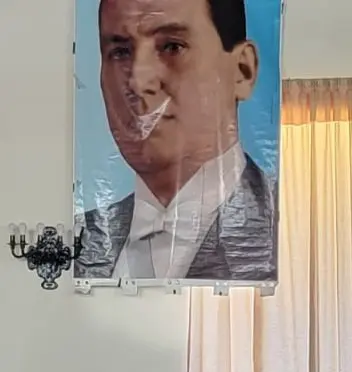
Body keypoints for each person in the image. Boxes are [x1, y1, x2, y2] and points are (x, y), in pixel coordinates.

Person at [74, 0, 278, 281]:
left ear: (242, 70)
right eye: (120, 52)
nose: (138, 82)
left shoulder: (294, 226)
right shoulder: (78, 243)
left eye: (172, 47)